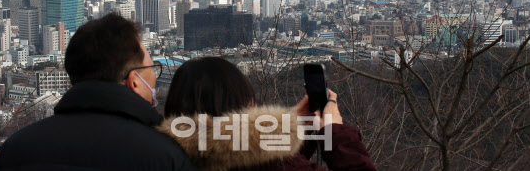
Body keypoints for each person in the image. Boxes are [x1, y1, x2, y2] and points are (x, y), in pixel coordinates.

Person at [0, 13, 195, 171]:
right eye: (152, 69)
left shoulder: (14, 152)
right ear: (134, 81)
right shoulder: (165, 157)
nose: (154, 76)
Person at [158, 57, 376, 171]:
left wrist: (286, 126)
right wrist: (334, 132)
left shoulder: (163, 157)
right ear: (240, 106)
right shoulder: (267, 166)